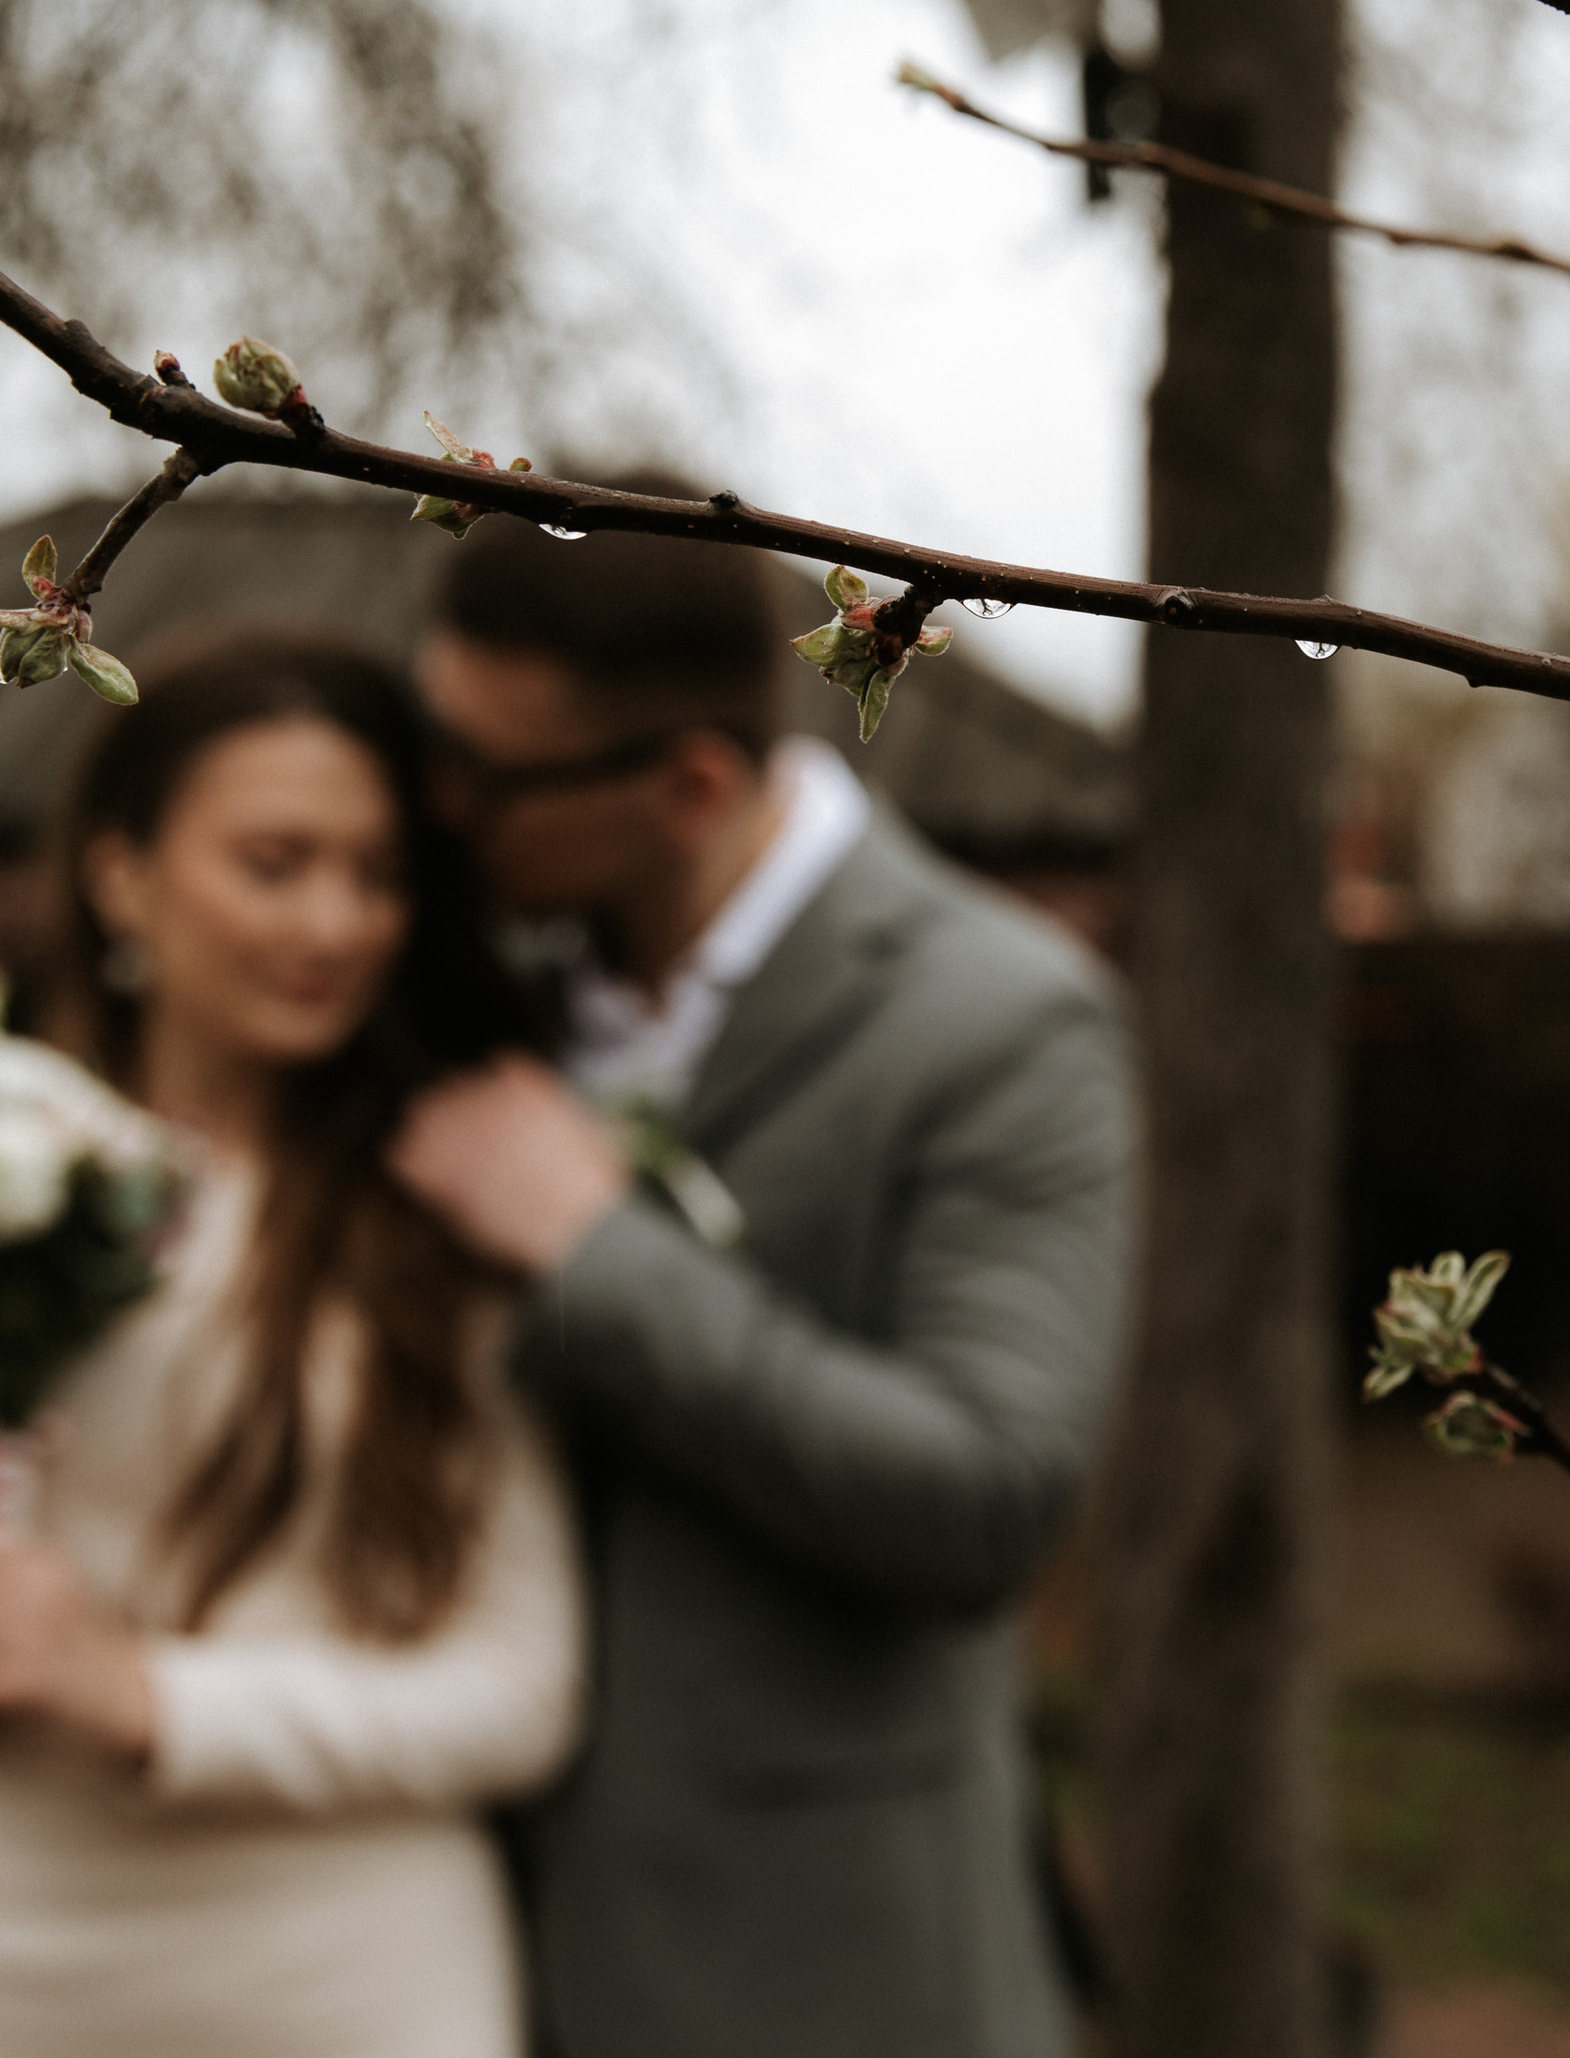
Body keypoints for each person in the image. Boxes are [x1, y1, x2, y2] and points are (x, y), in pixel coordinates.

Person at [388, 505, 1133, 2058]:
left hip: (825, 1970)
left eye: (483, 774)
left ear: (691, 784)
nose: (431, 807)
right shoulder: (478, 981)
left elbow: (985, 1495)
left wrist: (598, 1257)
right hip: (446, 1931)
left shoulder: (1006, 1025)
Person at [0, 633, 584, 2058]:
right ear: (120, 871)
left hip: (354, 1975)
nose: (335, 924)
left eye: (377, 875)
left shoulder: (447, 1217)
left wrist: (154, 1704)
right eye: (275, 862)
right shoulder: (25, 1150)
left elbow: (523, 1688)